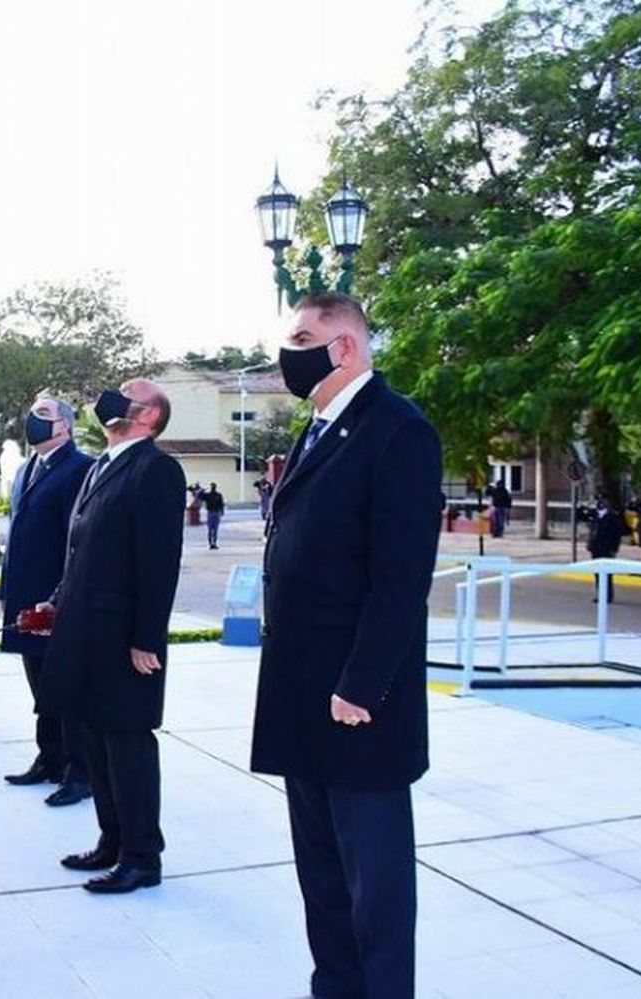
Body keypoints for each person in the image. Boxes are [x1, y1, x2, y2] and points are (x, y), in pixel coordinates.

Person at [251, 292, 443, 999]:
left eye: (303, 335)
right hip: (304, 691)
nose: (289, 350)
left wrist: (362, 685)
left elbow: (399, 580)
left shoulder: (396, 430)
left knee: (376, 884)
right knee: (323, 875)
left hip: (359, 700)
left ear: (345, 348)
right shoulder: (319, 429)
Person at [35, 378, 185, 894]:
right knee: (95, 741)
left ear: (149, 417)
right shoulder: (102, 465)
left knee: (127, 745)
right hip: (83, 629)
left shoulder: (157, 469)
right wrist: (57, 599)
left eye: (128, 396)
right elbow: (81, 550)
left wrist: (147, 637)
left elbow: (160, 562)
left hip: (124, 638)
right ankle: (111, 840)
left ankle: (143, 856)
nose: (113, 401)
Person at [0, 396, 93, 806]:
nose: (31, 420)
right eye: (31, 411)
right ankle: (49, 757)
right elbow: (19, 532)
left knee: (66, 685)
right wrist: (7, 589)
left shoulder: (80, 468)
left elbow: (79, 540)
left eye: (43, 415)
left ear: (64, 427)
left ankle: (80, 770)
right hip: (24, 593)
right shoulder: (25, 469)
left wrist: (63, 596)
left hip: (58, 598)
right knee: (39, 683)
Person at [588, 498, 626, 603]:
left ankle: (608, 596)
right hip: (596, 549)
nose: (601, 507)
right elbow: (592, 532)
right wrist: (590, 545)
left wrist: (614, 549)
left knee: (607, 574)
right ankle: (600, 594)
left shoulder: (612, 518)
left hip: (607, 549)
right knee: (597, 574)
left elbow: (617, 536)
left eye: (603, 505)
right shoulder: (596, 517)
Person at [203, 482, 225, 549]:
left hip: (214, 512)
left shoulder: (217, 495)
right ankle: (211, 543)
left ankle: (213, 543)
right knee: (212, 529)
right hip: (212, 512)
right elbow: (199, 496)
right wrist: (202, 490)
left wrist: (222, 511)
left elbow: (221, 504)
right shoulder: (209, 495)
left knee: (213, 529)